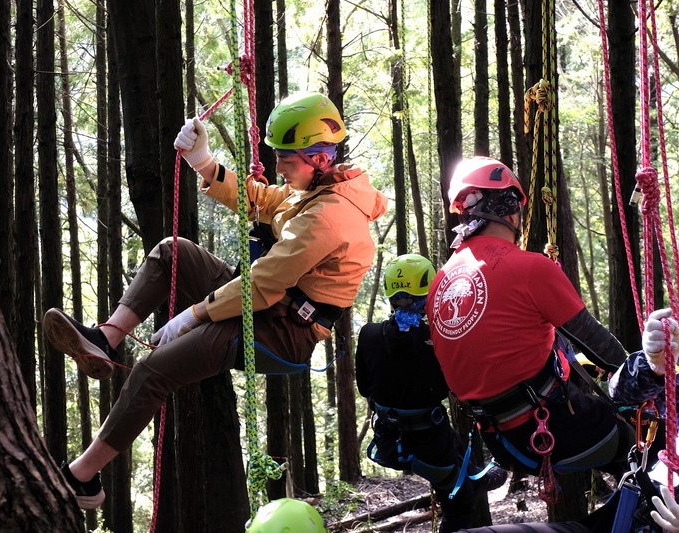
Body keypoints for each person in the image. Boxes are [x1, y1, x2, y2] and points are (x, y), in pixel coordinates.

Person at [43, 91, 388, 508]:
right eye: (277, 156)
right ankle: (107, 338)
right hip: (268, 303)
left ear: (319, 157)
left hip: (284, 330)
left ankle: (83, 479)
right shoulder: (314, 189)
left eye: (287, 159)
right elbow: (264, 202)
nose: (278, 166)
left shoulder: (331, 215)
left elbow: (265, 283)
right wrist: (204, 162)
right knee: (174, 251)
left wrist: (194, 314)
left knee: (153, 371)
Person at [425, 156, 679, 485]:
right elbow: (599, 345)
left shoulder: (440, 283)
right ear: (510, 207)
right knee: (654, 438)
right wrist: (648, 370)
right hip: (551, 432)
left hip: (500, 442)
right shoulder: (530, 268)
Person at [356, 253, 507, 533]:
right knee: (459, 503)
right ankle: (472, 480)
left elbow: (365, 388)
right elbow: (452, 386)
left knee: (452, 457)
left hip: (389, 443)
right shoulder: (437, 339)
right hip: (430, 445)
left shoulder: (368, 335)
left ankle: (472, 473)